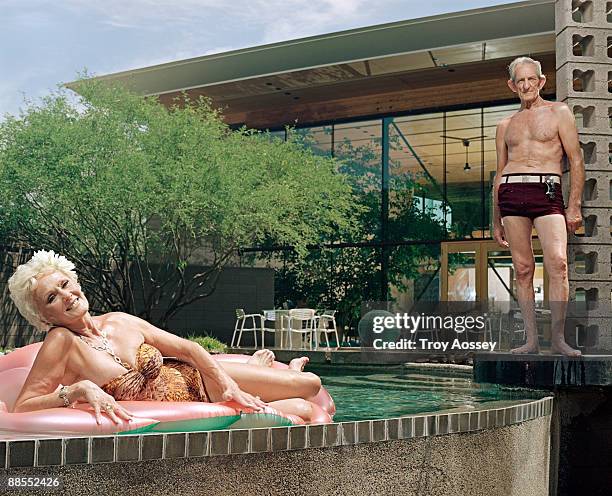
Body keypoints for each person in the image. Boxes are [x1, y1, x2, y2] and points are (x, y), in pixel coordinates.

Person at [8, 250, 322, 424]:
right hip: (192, 406)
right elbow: (23, 406)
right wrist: (77, 390)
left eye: (65, 284)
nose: (66, 296)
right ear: (42, 316)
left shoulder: (118, 320)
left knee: (310, 384)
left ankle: (264, 369)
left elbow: (188, 348)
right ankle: (263, 373)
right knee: (304, 408)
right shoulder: (61, 342)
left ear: (75, 282)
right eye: (51, 298)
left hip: (200, 379)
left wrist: (227, 384)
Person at [492, 56, 584, 357]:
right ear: (511, 85)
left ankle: (558, 338)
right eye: (520, 80)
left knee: (558, 263)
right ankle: (531, 340)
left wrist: (574, 206)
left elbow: (576, 160)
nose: (527, 85)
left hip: (547, 191)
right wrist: (496, 218)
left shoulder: (560, 112)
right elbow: (499, 171)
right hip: (511, 193)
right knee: (522, 269)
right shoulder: (506, 124)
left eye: (532, 79)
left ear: (541, 81)